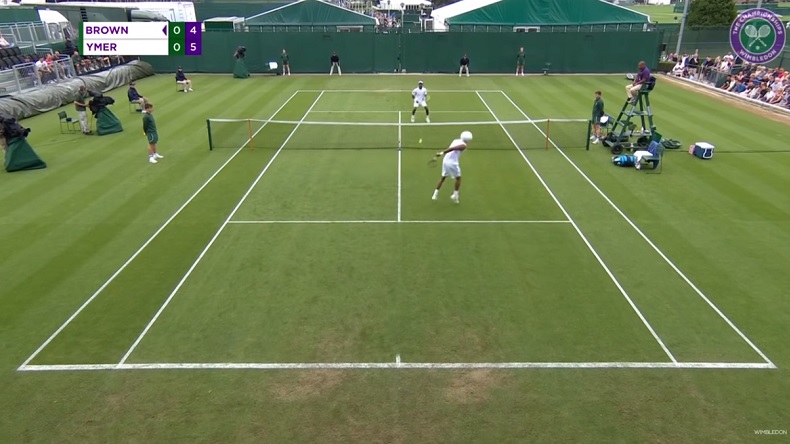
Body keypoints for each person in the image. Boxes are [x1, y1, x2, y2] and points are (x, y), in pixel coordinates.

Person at [431, 131, 473, 204]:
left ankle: (435, 194)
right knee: (458, 178)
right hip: (452, 163)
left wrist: (442, 154)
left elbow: (451, 148)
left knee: (443, 177)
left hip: (446, 160)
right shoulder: (464, 146)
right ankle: (455, 196)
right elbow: (452, 148)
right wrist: (441, 153)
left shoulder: (456, 140)